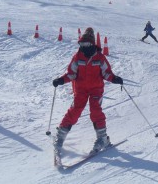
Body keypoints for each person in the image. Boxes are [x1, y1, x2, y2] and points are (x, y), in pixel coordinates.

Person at [52, 27, 124, 155]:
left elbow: (106, 73)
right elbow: (71, 73)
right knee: (74, 111)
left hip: (96, 90)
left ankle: (102, 139)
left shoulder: (100, 57)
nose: (84, 46)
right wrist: (61, 80)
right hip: (81, 90)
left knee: (95, 111)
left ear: (92, 43)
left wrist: (115, 79)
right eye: (81, 44)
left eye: (86, 44)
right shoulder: (78, 57)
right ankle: (60, 136)